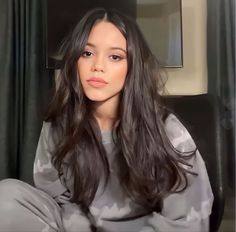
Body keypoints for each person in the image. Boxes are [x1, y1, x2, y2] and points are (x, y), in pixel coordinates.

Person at [0, 7, 213, 232]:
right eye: (87, 53)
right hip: (77, 228)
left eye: (115, 57)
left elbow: (189, 221)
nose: (97, 67)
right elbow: (55, 199)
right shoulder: (58, 124)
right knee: (7, 196)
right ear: (75, 61)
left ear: (132, 66)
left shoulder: (166, 130)